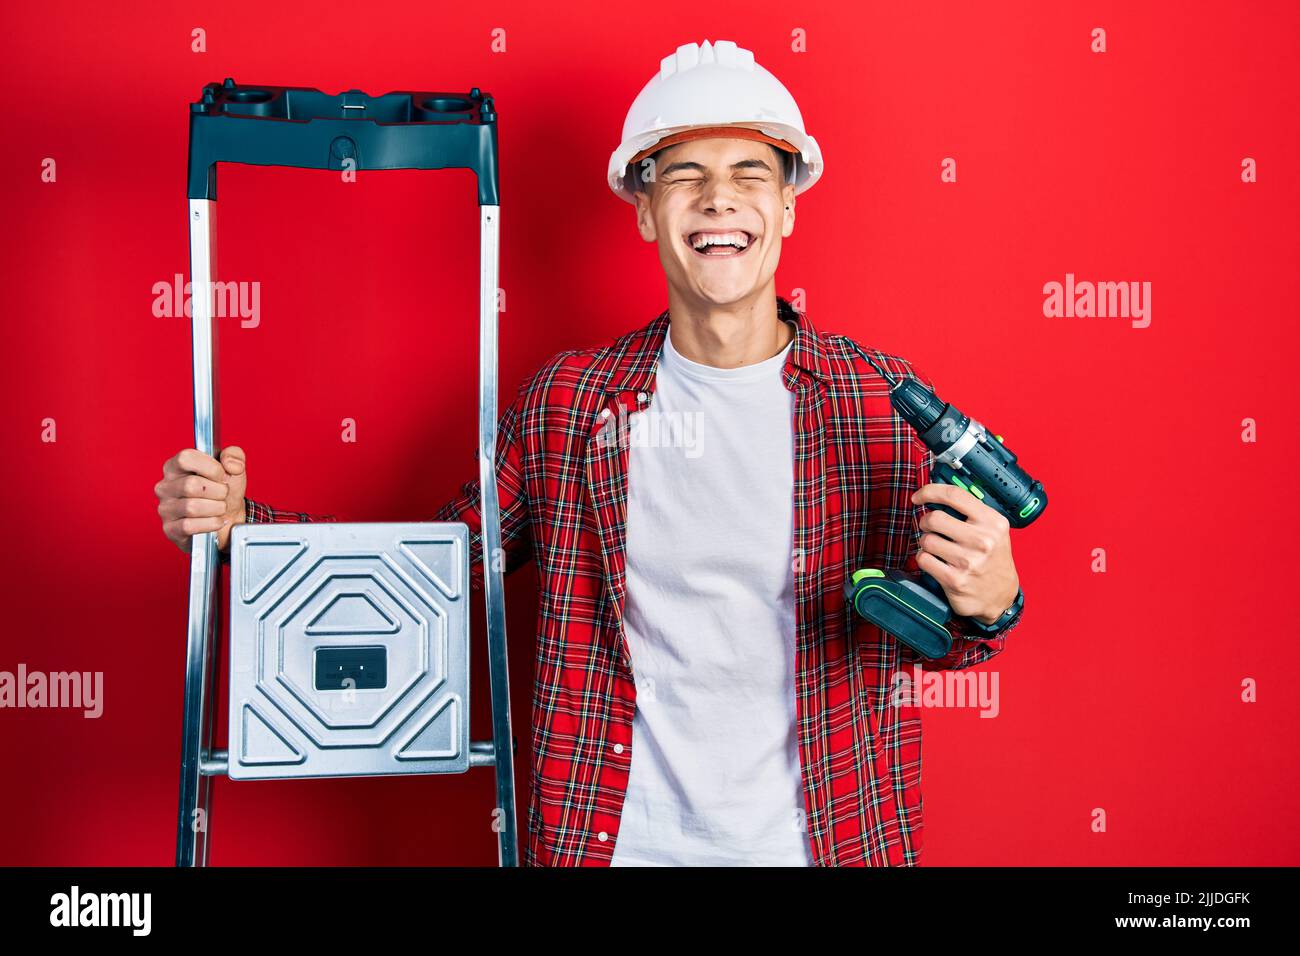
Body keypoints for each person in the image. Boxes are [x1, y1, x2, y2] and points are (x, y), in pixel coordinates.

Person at [155, 39, 1023, 866]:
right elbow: (438, 572)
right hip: (615, 844)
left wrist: (994, 602)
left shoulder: (883, 402)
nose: (719, 200)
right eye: (687, 177)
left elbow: (933, 631)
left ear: (787, 204)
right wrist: (244, 530)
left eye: (748, 175)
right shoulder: (569, 405)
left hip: (828, 841)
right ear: (644, 209)